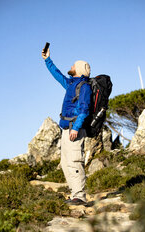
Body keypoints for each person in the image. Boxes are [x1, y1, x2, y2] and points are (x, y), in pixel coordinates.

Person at [42, 47, 92, 205]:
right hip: (66, 129)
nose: (70, 67)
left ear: (78, 69)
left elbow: (84, 109)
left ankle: (80, 196)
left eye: (73, 66)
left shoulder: (84, 86)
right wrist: (47, 60)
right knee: (65, 163)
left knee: (74, 162)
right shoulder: (72, 84)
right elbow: (57, 75)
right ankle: (74, 194)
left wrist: (76, 127)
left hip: (74, 129)